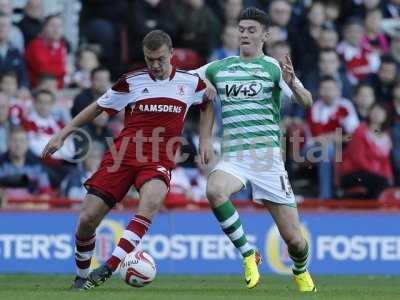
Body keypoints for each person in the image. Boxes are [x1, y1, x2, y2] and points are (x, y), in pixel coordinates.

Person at [41, 30, 211, 290]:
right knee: (87, 219)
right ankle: (81, 278)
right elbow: (98, 106)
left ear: (171, 54)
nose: (155, 65)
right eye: (149, 59)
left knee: (150, 203)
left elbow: (208, 102)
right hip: (123, 155)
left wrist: (205, 139)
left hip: (159, 158)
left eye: (160, 59)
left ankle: (109, 266)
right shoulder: (132, 81)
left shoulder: (190, 83)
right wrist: (63, 134)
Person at [194, 7, 316, 292]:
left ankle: (300, 270)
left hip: (267, 160)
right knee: (214, 190)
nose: (245, 34)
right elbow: (188, 82)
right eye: (242, 29)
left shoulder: (274, 67)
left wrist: (292, 84)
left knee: (295, 241)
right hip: (234, 155)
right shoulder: (218, 67)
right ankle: (249, 254)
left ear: (265, 35)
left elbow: (307, 102)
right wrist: (204, 84)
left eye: (251, 30)